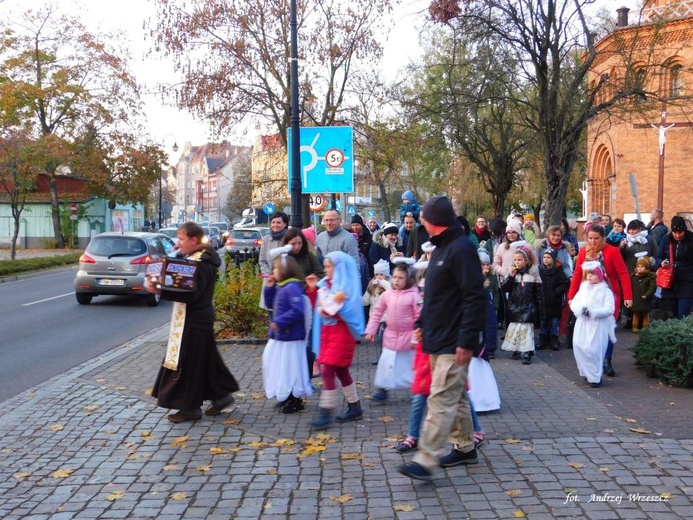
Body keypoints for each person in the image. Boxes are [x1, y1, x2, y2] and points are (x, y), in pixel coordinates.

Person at [398, 196, 486, 482]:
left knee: (440, 399)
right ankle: (465, 449)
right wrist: (422, 322)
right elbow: (436, 295)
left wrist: (467, 341)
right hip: (437, 336)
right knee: (456, 396)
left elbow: (474, 297)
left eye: (422, 217)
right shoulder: (440, 249)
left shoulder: (461, 249)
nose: (419, 220)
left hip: (454, 339)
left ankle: (425, 459)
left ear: (432, 221)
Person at [147, 222, 238, 423]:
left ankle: (190, 408)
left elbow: (191, 294)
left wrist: (162, 291)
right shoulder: (195, 258)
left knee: (187, 364)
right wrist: (176, 256)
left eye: (181, 239)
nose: (178, 243)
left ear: (193, 240)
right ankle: (221, 397)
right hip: (195, 318)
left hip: (195, 320)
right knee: (206, 362)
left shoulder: (201, 263)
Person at [309, 251, 365, 429]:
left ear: (338, 267)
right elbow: (318, 305)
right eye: (324, 266)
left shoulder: (345, 287)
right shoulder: (326, 284)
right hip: (329, 334)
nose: (325, 269)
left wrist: (324, 306)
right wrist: (313, 291)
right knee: (341, 371)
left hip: (342, 334)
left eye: (328, 266)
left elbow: (336, 310)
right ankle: (355, 406)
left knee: (328, 371)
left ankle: (326, 411)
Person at [568, 224, 632, 378]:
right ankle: (591, 359)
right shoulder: (584, 251)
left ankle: (606, 359)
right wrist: (571, 296)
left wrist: (628, 296)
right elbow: (577, 274)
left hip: (609, 294)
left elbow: (623, 274)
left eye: (596, 238)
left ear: (604, 238)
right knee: (590, 329)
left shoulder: (612, 251)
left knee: (608, 326)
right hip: (589, 295)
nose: (593, 241)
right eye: (590, 238)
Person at [262, 253, 313, 414]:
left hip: (290, 335)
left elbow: (297, 310)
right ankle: (286, 394)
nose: (274, 272)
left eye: (276, 268)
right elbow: (270, 304)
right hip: (282, 335)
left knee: (291, 367)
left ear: (285, 269)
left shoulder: (292, 287)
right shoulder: (281, 286)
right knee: (280, 365)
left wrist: (280, 322)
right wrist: (269, 288)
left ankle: (294, 398)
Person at [364, 263, 420, 401]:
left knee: (409, 366)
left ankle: (418, 390)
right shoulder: (387, 295)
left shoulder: (414, 296)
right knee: (385, 364)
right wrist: (371, 330)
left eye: (400, 278)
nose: (396, 280)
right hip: (390, 336)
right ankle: (383, 389)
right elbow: (377, 312)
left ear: (408, 279)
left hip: (408, 338)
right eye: (394, 277)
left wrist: (415, 338)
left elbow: (420, 317)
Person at [569, 262, 616, 388]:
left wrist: (593, 313)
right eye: (588, 274)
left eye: (593, 274)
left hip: (597, 325)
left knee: (594, 349)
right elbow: (574, 303)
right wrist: (580, 310)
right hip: (582, 323)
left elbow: (609, 309)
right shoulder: (583, 288)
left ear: (600, 276)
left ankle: (595, 376)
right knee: (579, 346)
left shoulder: (606, 291)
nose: (589, 276)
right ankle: (586, 371)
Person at [500, 246, 545, 365]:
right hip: (515, 307)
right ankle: (516, 349)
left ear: (526, 260)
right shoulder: (513, 273)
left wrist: (541, 313)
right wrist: (510, 277)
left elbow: (539, 295)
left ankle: (527, 352)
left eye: (519, 260)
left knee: (526, 331)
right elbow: (504, 288)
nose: (517, 262)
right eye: (515, 260)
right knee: (515, 329)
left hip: (528, 307)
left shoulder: (534, 275)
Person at [654, 216, 693, 319]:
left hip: (687, 282)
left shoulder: (691, 239)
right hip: (669, 282)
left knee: (683, 314)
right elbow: (658, 257)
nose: (677, 235)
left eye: (680, 232)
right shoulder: (666, 239)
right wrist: (661, 263)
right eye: (675, 232)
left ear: (684, 230)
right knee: (674, 314)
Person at [538, 248, 570, 350]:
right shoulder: (540, 271)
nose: (546, 259)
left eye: (548, 257)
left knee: (554, 322)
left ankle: (554, 339)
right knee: (544, 321)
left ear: (554, 259)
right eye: (544, 257)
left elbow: (564, 284)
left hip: (555, 301)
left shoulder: (559, 271)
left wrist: (555, 292)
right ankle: (542, 339)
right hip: (544, 301)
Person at [362, 259, 392, 365]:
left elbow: (391, 290)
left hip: (386, 318)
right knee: (377, 340)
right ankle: (381, 355)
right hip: (375, 318)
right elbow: (366, 300)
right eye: (377, 274)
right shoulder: (372, 286)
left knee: (382, 338)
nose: (379, 277)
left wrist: (382, 282)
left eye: (382, 274)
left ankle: (385, 357)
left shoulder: (389, 285)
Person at [259, 211, 290, 311]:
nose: (275, 225)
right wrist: (269, 275)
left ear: (285, 224)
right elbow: (262, 260)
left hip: (286, 283)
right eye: (273, 222)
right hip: (270, 282)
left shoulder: (289, 239)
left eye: (278, 222)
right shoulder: (266, 240)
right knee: (272, 314)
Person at [478, 248, 499, 358]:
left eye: (487, 265)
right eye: (483, 265)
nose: (485, 267)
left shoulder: (492, 277)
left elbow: (496, 292)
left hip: (489, 303)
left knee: (490, 325)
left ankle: (490, 348)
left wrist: (495, 305)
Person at [630, 256, 656, 332]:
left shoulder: (650, 277)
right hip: (636, 298)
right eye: (638, 266)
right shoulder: (633, 276)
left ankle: (645, 326)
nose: (640, 268)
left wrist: (647, 295)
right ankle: (635, 326)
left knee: (645, 313)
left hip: (645, 299)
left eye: (642, 267)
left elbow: (652, 288)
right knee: (636, 313)